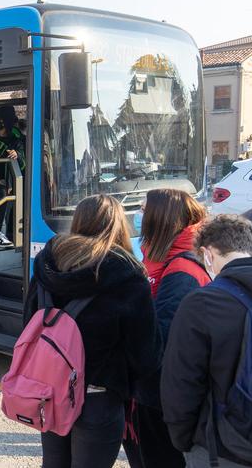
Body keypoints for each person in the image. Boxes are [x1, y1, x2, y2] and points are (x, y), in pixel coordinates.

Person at [26, 194, 161, 468]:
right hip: (99, 396)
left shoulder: (48, 263)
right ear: (118, 225)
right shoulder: (127, 275)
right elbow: (146, 355)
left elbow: (30, 322)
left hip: (51, 390)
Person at [162, 215, 252, 468]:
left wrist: (184, 439)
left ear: (207, 254)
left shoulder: (203, 303)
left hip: (226, 445)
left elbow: (180, 383)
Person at [124, 189, 210, 468]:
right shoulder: (160, 258)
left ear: (160, 219)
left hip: (159, 396)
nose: (139, 216)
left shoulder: (182, 270)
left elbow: (161, 341)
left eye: (143, 210)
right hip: (151, 391)